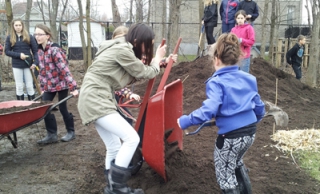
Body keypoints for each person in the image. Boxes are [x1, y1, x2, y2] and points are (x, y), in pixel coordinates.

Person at [77, 23, 167, 194]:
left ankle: (111, 187)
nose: (148, 47)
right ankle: (117, 188)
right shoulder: (122, 50)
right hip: (96, 99)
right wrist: (157, 59)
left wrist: (158, 63)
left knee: (113, 147)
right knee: (132, 138)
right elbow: (144, 72)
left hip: (93, 97)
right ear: (136, 40)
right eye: (148, 43)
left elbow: (132, 73)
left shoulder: (118, 48)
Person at [177, 33, 265, 194]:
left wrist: (185, 121)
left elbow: (209, 110)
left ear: (216, 59)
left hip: (230, 137)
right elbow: (259, 106)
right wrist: (253, 121)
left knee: (225, 174)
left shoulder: (216, 82)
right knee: (236, 162)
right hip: (250, 133)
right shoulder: (249, 78)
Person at [34, 24, 79, 144]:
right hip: (49, 86)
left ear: (47, 36)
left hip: (61, 84)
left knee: (63, 108)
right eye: (36, 34)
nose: (37, 37)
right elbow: (42, 71)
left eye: (40, 34)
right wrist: (43, 87)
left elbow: (64, 69)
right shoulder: (39, 50)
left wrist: (73, 87)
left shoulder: (54, 50)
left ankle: (71, 132)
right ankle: (51, 135)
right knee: (45, 108)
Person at [4, 19, 39, 100]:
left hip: (28, 65)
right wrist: (19, 55)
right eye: (16, 25)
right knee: (19, 86)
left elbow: (35, 51)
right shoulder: (10, 37)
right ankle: (21, 106)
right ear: (13, 26)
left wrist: (35, 63)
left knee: (29, 86)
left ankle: (32, 105)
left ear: (22, 26)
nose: (18, 27)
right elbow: (7, 51)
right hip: (16, 65)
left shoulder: (29, 36)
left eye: (20, 25)